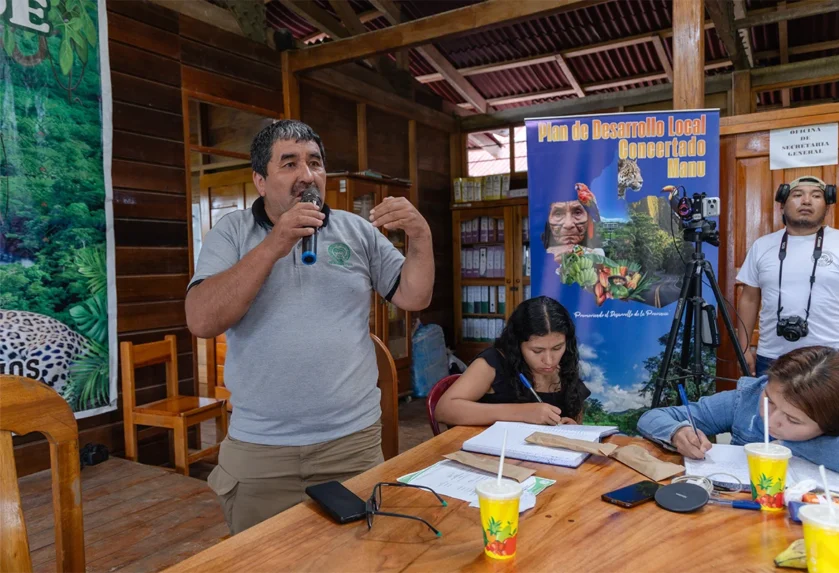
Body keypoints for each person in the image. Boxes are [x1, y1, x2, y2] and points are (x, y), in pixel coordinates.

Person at [185, 120, 434, 534]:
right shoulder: (231, 232)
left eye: (315, 163)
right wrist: (274, 244)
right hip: (260, 450)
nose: (307, 175)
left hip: (351, 445)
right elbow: (201, 319)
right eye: (289, 164)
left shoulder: (356, 231)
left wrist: (421, 236)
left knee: (357, 560)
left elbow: (414, 296)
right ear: (260, 181)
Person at [637, 346, 839, 479]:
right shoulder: (749, 397)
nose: (771, 420)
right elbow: (652, 417)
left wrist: (787, 447)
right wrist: (678, 431)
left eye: (792, 419)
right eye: (770, 401)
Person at [736, 175, 839, 375]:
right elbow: (749, 299)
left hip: (831, 359)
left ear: (827, 207)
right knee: (768, 408)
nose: (806, 201)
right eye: (797, 195)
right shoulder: (762, 245)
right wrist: (743, 348)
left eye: (816, 195)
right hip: (771, 358)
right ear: (782, 205)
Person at [434, 296, 591, 427]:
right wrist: (522, 413)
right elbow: (444, 410)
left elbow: (576, 420)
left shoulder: (566, 365)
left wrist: (570, 428)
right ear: (518, 344)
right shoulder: (493, 363)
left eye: (557, 348)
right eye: (537, 351)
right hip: (492, 458)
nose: (549, 361)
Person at [543, 182, 605, 259]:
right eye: (558, 214)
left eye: (577, 213)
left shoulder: (597, 254)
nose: (568, 224)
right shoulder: (542, 256)